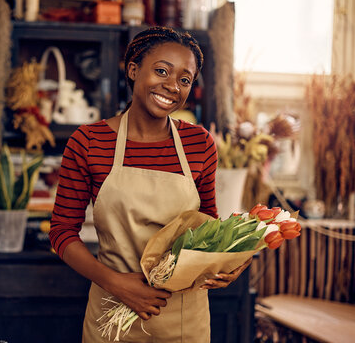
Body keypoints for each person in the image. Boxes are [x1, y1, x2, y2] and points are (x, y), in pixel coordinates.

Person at [49, 26, 251, 342]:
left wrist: (231, 259)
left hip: (185, 320)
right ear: (133, 70)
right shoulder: (89, 142)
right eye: (161, 71)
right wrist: (115, 283)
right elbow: (61, 232)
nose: (172, 86)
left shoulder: (199, 143)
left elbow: (208, 224)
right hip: (111, 318)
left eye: (185, 80)